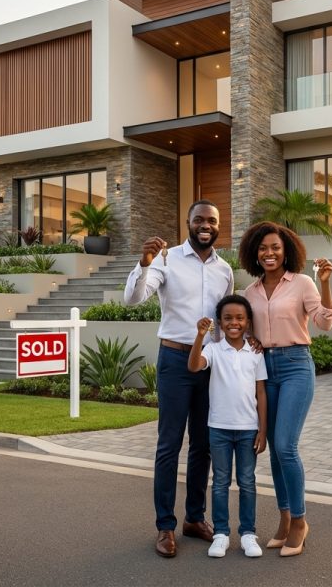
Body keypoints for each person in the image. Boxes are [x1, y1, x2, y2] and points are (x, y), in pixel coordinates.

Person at [123, 200, 234, 558]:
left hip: (207, 363)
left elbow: (226, 318)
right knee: (169, 444)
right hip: (173, 358)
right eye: (199, 219)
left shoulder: (224, 270)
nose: (205, 225)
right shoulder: (166, 259)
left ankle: (194, 519)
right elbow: (134, 299)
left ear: (219, 226)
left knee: (203, 445)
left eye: (212, 220)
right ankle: (165, 526)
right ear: (187, 223)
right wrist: (143, 263)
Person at [239, 221, 332, 557]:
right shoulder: (249, 293)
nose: (269, 253)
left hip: (296, 365)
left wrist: (325, 285)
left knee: (285, 445)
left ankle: (299, 521)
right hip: (266, 370)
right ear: (255, 253)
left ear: (286, 251)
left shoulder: (303, 283)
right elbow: (247, 331)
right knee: (275, 452)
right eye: (263, 248)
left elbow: (324, 323)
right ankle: (283, 519)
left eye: (275, 248)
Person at [188, 295, 268, 559]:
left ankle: (248, 534)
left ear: (247, 322)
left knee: (247, 481)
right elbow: (193, 365)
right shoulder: (213, 348)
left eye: (240, 318)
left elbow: (261, 393)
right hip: (219, 428)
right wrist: (200, 336)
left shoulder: (255, 352)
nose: (234, 322)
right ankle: (221, 534)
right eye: (228, 318)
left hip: (248, 429)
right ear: (220, 323)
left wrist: (263, 430)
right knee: (220, 481)